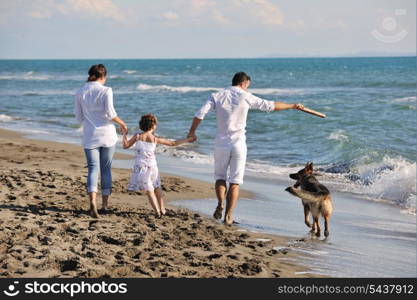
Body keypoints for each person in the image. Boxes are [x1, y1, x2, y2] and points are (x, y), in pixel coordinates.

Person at [187, 72, 304, 225]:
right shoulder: (246, 96)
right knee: (235, 182)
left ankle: (220, 203)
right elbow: (271, 105)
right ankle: (228, 216)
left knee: (220, 177)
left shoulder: (216, 95)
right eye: (248, 85)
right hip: (238, 144)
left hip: (221, 143)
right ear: (244, 83)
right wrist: (292, 106)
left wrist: (192, 132)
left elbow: (200, 114)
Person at [74, 64, 128, 218]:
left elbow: (79, 117)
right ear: (103, 76)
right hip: (107, 135)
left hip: (90, 135)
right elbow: (111, 113)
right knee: (106, 169)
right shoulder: (106, 90)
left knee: (92, 169)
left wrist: (91, 119)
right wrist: (122, 123)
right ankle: (104, 205)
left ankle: (92, 202)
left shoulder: (80, 92)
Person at [123, 114, 195, 217]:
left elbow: (125, 146)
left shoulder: (138, 136)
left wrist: (125, 134)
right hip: (153, 167)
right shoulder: (155, 139)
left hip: (141, 167)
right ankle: (162, 210)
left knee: (149, 190)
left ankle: (157, 211)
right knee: (157, 187)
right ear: (153, 126)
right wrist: (187, 139)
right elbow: (172, 143)